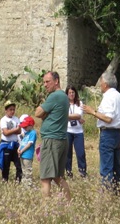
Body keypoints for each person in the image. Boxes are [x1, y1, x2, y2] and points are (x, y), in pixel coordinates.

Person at [82, 71, 120, 191]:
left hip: (108, 133)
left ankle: (107, 192)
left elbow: (108, 118)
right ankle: (119, 191)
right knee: (117, 166)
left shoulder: (108, 97)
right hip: (117, 133)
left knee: (106, 167)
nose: (100, 86)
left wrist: (92, 112)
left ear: (105, 84)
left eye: (101, 83)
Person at [34, 71, 72, 200]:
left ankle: (46, 207)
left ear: (56, 81)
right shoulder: (64, 97)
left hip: (51, 140)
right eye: (44, 82)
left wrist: (44, 111)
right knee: (57, 176)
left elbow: (38, 113)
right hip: (61, 139)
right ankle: (69, 202)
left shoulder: (54, 96)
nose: (45, 85)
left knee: (45, 177)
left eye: (48, 81)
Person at [0, 100, 22, 182]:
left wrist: (11, 131)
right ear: (6, 110)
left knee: (18, 164)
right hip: (6, 144)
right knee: (6, 164)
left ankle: (18, 180)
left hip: (15, 144)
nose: (12, 111)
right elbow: (6, 133)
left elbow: (19, 131)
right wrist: (15, 130)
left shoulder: (16, 119)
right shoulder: (3, 120)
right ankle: (5, 179)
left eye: (13, 109)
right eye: (10, 109)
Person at [65, 86, 87, 177]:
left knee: (81, 153)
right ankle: (68, 171)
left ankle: (82, 172)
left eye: (73, 92)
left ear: (75, 93)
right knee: (67, 153)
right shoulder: (64, 104)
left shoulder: (79, 103)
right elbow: (63, 115)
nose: (71, 94)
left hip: (78, 132)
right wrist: (75, 117)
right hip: (68, 130)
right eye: (69, 93)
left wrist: (67, 116)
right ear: (67, 94)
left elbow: (78, 115)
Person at [17, 115, 37, 186]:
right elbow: (22, 142)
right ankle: (24, 184)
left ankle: (28, 184)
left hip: (27, 154)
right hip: (22, 154)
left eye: (25, 126)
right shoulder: (26, 133)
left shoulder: (33, 133)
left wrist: (22, 150)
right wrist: (19, 148)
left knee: (28, 170)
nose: (24, 128)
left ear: (31, 125)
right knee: (23, 170)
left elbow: (29, 144)